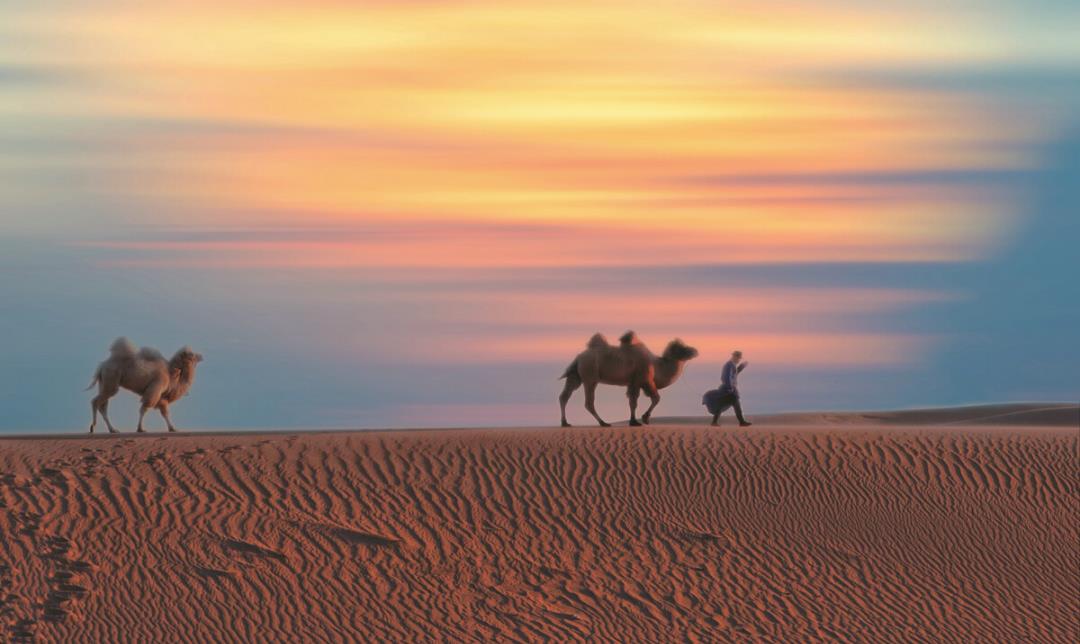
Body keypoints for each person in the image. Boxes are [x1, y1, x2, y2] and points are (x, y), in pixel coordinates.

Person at [711, 350, 751, 427]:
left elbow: (734, 374)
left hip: (728, 389)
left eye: (740, 358)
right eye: (738, 358)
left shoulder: (731, 365)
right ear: (734, 357)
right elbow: (725, 377)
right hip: (728, 390)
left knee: (722, 405)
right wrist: (730, 388)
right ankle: (742, 422)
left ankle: (714, 422)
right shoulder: (729, 365)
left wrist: (742, 366)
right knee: (735, 405)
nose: (739, 360)